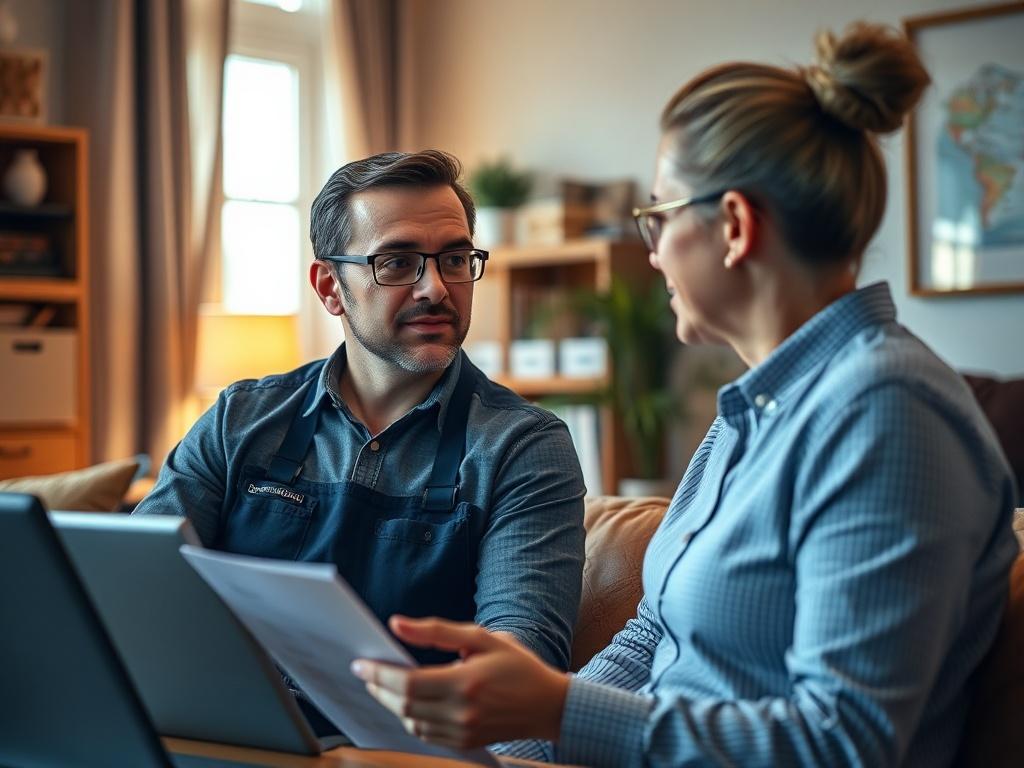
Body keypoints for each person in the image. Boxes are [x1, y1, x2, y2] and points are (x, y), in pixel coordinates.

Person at [351, 24, 1020, 767]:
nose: (652, 253)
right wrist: (506, 753)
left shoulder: (890, 414)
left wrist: (556, 708)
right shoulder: (750, 414)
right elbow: (651, 639)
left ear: (733, 226)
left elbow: (844, 745)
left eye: (659, 218)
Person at [135, 150, 586, 681]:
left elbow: (523, 660)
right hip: (232, 719)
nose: (436, 288)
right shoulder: (239, 420)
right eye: (397, 262)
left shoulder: (523, 446)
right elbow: (135, 582)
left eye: (454, 259)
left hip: (407, 730)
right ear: (330, 287)